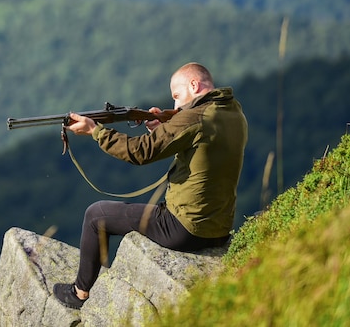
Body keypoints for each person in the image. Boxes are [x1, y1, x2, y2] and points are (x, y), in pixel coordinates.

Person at [52, 62, 248, 309]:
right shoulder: (233, 112)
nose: (175, 106)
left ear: (194, 85)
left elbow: (140, 152)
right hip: (218, 230)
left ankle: (79, 293)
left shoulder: (193, 118)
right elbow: (201, 146)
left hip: (184, 228)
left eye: (177, 96)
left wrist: (95, 131)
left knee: (95, 215)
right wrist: (164, 128)